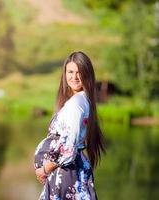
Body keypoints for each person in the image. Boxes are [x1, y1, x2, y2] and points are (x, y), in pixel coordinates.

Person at [34, 51, 106, 200]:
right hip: (67, 172)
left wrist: (45, 169)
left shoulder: (76, 104)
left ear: (87, 74)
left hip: (65, 173)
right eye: (70, 71)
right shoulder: (81, 100)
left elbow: (68, 148)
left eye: (79, 72)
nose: (74, 77)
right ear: (65, 73)